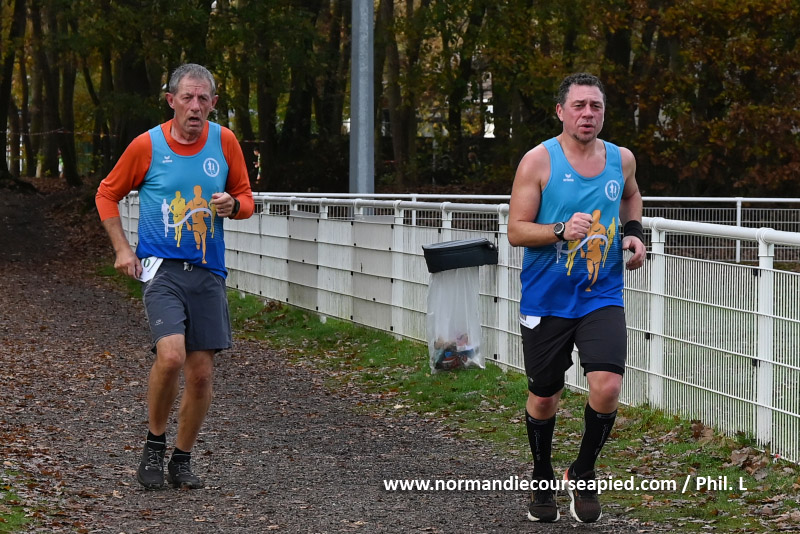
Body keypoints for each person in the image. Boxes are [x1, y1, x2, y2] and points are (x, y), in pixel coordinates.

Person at [95, 63, 254, 490]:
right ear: (171, 101)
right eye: (187, 97)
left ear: (213, 103)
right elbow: (107, 193)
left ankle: (181, 459)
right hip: (161, 269)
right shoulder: (146, 145)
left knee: (201, 374)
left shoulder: (225, 141)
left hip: (207, 271)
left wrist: (234, 206)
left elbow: (246, 198)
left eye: (203, 99)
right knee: (170, 356)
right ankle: (154, 444)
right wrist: (122, 249)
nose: (195, 106)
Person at [507, 72, 646, 523]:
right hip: (546, 298)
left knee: (608, 386)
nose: (588, 114)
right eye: (579, 106)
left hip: (601, 294)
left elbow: (631, 197)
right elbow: (516, 231)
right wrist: (560, 230)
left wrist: (633, 233)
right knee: (544, 397)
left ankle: (583, 471)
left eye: (596, 106)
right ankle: (542, 474)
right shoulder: (537, 161)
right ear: (561, 112)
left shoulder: (621, 159)